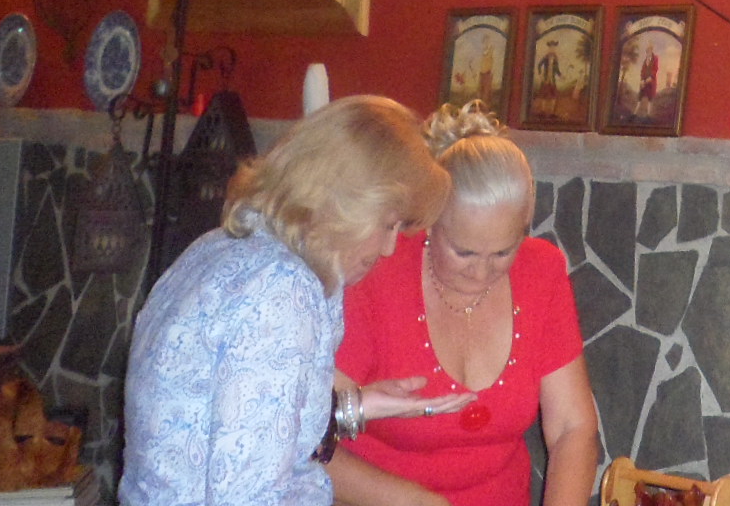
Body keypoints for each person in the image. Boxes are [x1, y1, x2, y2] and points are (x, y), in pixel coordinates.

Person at [120, 96, 451, 506]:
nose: (388, 248)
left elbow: (245, 429)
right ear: (344, 201)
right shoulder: (280, 292)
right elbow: (245, 496)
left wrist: (355, 407)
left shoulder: (221, 246)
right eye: (387, 224)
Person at [329, 103, 599, 506]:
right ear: (430, 221)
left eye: (503, 252)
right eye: (465, 252)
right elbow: (309, 441)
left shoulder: (541, 271)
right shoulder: (378, 272)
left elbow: (572, 429)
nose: (481, 272)